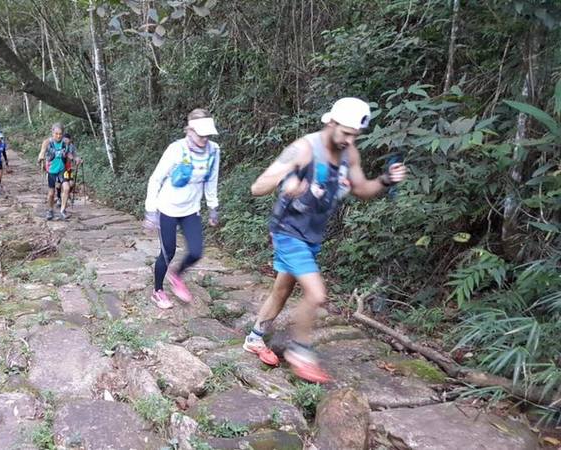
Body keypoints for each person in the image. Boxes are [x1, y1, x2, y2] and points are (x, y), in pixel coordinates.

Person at [241, 97, 408, 383]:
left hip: (311, 236)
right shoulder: (303, 150)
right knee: (317, 294)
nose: (348, 139)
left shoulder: (349, 153)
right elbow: (258, 187)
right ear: (330, 123)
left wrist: (385, 181)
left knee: (282, 290)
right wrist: (286, 183)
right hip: (288, 231)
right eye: (344, 132)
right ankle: (300, 352)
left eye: (355, 135)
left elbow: (361, 189)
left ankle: (255, 337)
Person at [143, 108, 220, 309]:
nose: (204, 138)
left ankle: (176, 274)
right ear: (189, 131)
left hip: (191, 209)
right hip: (167, 208)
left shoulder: (214, 151)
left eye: (207, 134)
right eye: (200, 134)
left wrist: (213, 206)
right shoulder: (176, 149)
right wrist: (151, 211)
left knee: (196, 251)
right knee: (167, 251)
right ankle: (158, 291)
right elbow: (156, 178)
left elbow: (211, 180)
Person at [37, 123, 74, 220]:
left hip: (62, 169)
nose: (58, 136)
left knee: (66, 188)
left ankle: (63, 210)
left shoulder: (65, 143)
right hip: (51, 171)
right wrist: (41, 157)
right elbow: (42, 151)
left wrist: (75, 158)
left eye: (60, 134)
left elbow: (68, 153)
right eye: (56, 133)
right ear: (52, 133)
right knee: (51, 193)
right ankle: (50, 210)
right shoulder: (47, 142)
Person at [55, 133, 82, 207]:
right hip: (59, 168)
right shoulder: (59, 146)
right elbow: (67, 155)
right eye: (64, 139)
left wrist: (78, 159)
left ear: (70, 140)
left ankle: (66, 194)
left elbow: (74, 155)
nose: (66, 140)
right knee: (59, 184)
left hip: (68, 168)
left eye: (67, 139)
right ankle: (59, 198)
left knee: (71, 183)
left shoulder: (72, 146)